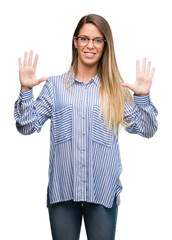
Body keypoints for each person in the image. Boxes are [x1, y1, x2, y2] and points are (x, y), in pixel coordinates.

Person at [14, 14, 158, 240]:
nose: (90, 45)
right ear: (75, 42)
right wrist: (25, 91)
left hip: (102, 192)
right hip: (63, 194)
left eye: (97, 40)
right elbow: (26, 126)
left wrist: (142, 96)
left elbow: (148, 129)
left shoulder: (115, 91)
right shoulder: (54, 87)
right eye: (84, 39)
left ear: (105, 45)